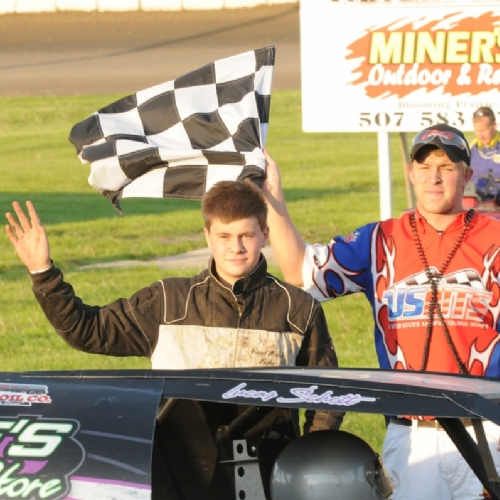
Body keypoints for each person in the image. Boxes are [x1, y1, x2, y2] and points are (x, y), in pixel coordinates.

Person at [262, 123, 500, 500]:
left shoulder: (495, 237)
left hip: (489, 431)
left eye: (447, 166)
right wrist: (271, 197)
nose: (434, 177)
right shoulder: (380, 239)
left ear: (467, 175)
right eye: (424, 167)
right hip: (411, 437)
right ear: (410, 172)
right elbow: (301, 273)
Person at [5, 179, 343, 435]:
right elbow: (86, 331)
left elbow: (327, 395)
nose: (236, 247)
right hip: (179, 468)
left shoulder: (300, 310)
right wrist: (42, 272)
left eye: (246, 236)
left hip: (269, 466)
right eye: (225, 237)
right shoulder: (167, 301)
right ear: (208, 236)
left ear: (265, 235)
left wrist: (305, 459)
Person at [467, 106, 500, 204]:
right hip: (477, 199)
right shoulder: (469, 148)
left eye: (484, 131)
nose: (480, 136)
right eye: (477, 131)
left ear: (494, 125)